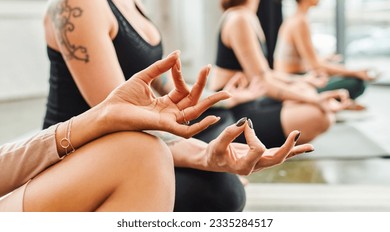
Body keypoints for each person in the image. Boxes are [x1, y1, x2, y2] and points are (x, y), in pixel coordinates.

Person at [41, 0, 271, 212]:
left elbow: (159, 82)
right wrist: (203, 155)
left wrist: (218, 96)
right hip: (79, 155)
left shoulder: (132, 0)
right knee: (217, 193)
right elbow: (119, 116)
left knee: (219, 120)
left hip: (125, 142)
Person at [0, 53, 314, 211]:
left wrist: (205, 152)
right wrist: (102, 117)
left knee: (216, 169)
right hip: (81, 154)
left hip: (73, 150)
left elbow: (154, 102)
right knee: (145, 157)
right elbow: (125, 123)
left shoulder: (134, 1)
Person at [208, 0, 351, 149]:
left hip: (253, 101)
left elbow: (264, 75)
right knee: (320, 115)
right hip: (232, 115)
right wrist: (315, 99)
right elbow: (264, 83)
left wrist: (302, 81)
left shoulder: (248, 17)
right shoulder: (238, 19)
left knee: (306, 91)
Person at [273, 0, 378, 105]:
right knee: (357, 82)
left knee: (336, 67)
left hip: (297, 77)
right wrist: (357, 72)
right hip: (294, 83)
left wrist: (326, 59)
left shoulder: (295, 19)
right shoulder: (300, 21)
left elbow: (305, 60)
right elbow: (314, 65)